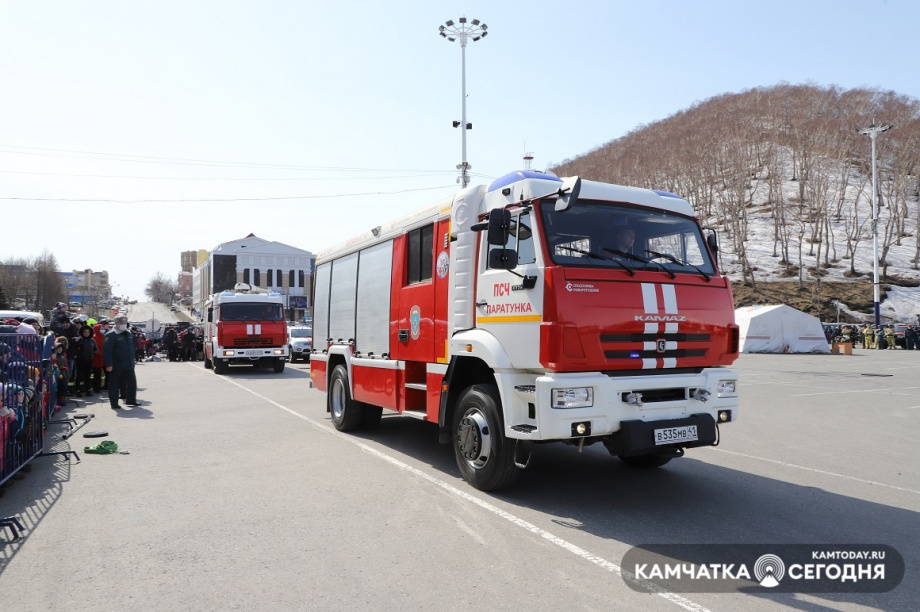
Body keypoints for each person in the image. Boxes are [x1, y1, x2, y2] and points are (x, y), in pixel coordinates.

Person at [103, 315, 138, 409]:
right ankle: (114, 403)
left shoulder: (129, 334)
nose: (123, 325)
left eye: (125, 323)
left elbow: (132, 347)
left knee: (132, 383)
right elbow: (107, 351)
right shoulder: (111, 335)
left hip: (128, 364)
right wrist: (109, 364)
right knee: (114, 384)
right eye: (121, 323)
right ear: (116, 324)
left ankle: (131, 400)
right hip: (116, 365)